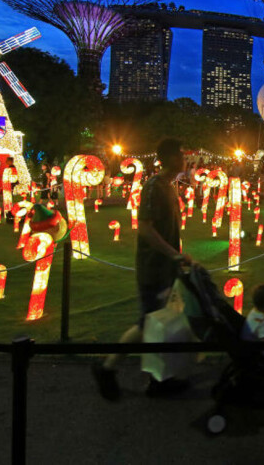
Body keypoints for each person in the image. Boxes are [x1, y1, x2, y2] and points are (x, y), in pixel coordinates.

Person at [92, 138, 193, 400]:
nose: (185, 159)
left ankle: (160, 378)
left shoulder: (169, 187)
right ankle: (108, 367)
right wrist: (173, 254)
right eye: (182, 154)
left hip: (167, 267)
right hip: (154, 268)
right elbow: (146, 228)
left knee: (159, 323)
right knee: (148, 323)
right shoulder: (153, 186)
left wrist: (178, 255)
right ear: (171, 158)